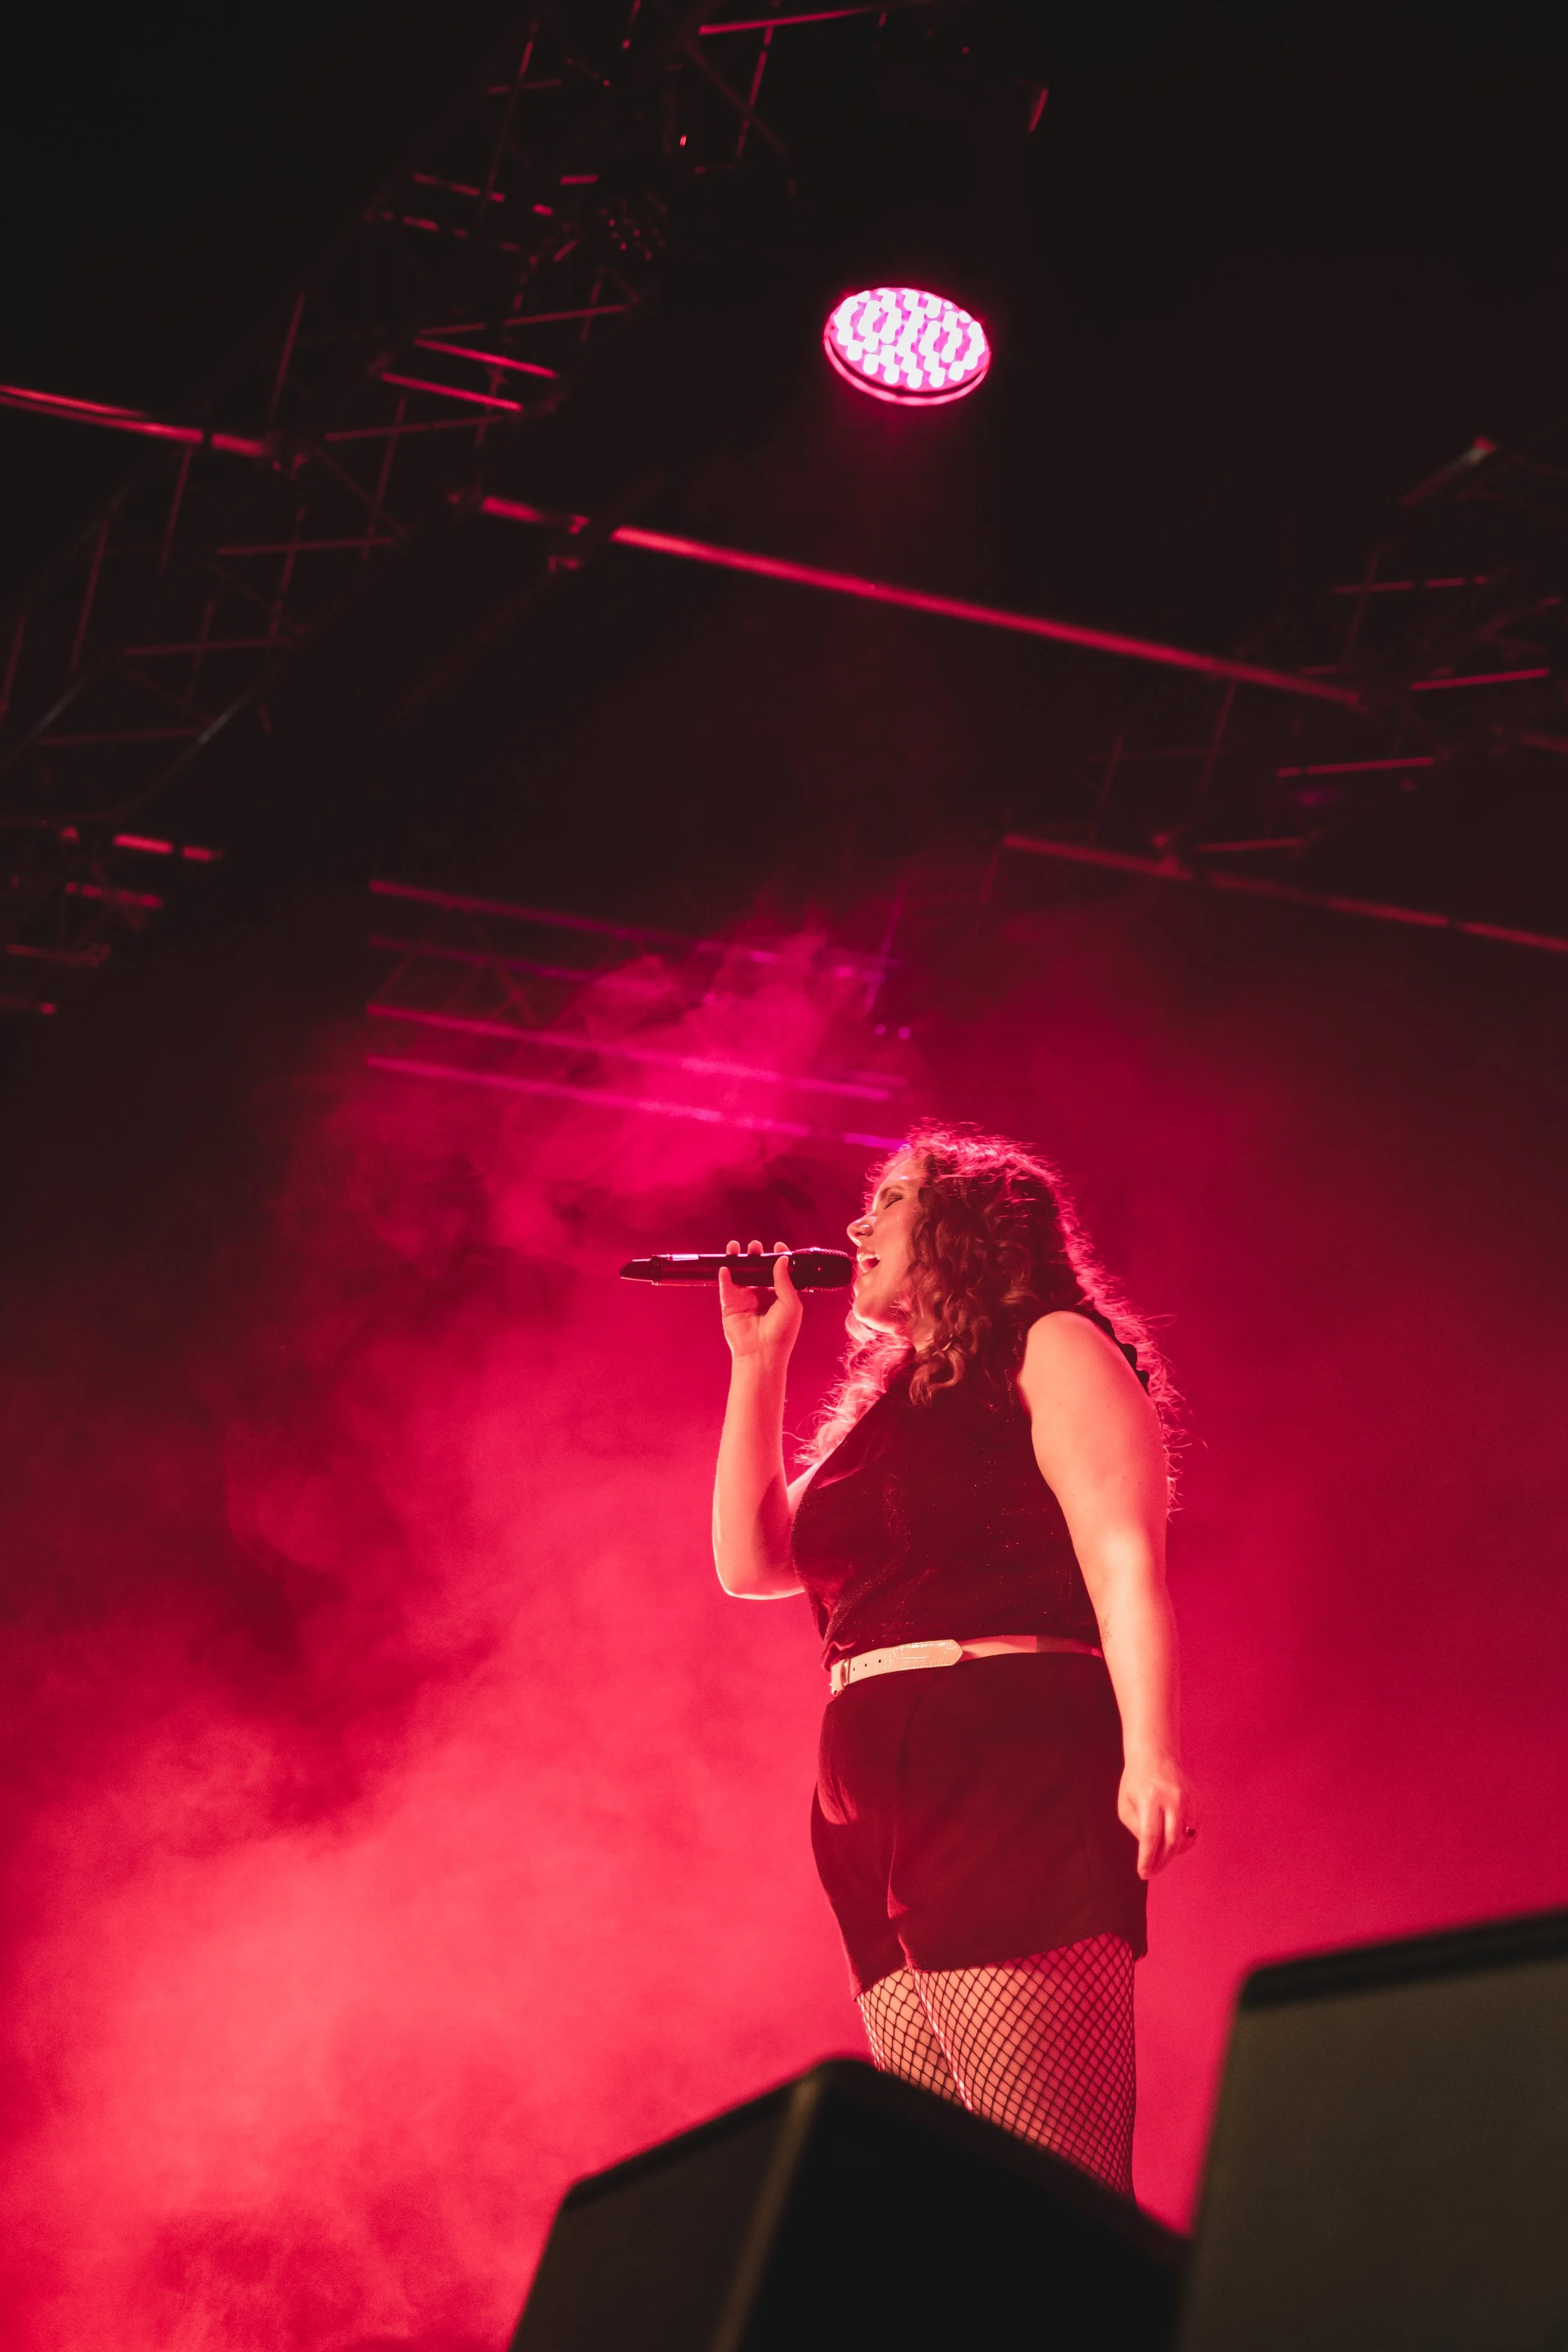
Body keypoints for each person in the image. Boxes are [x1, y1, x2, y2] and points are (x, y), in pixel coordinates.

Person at [711, 1123, 1195, 2197]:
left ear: (967, 1231)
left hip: (1003, 1749)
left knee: (1042, 2189)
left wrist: (1152, 1750)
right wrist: (762, 1363)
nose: (855, 1226)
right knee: (944, 2197)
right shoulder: (893, 1405)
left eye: (887, 1200)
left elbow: (1124, 1557)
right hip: (867, 1784)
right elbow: (751, 1563)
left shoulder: (1054, 1343)